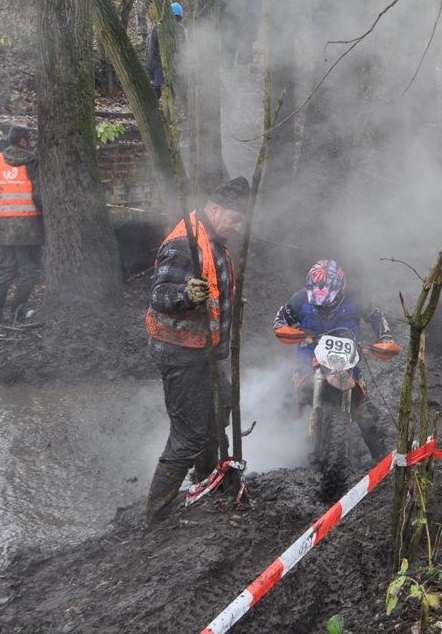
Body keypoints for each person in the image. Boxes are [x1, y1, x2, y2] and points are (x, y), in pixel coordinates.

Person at [143, 176, 250, 528]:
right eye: (234, 219)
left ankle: (205, 482)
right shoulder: (185, 244)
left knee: (221, 409)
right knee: (188, 435)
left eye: (241, 222)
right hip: (180, 354)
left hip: (204, 352)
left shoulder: (214, 240)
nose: (237, 227)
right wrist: (186, 295)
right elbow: (159, 296)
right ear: (214, 208)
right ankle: (155, 516)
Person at [273, 260, 394, 461]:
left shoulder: (356, 298)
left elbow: (376, 315)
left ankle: (381, 459)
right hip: (309, 361)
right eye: (318, 305)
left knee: (366, 412)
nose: (323, 309)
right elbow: (280, 320)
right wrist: (287, 330)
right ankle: (276, 455)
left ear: (341, 291)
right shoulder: (299, 299)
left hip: (346, 361)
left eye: (327, 304)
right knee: (288, 405)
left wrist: (385, 338)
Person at [0, 125, 43, 325]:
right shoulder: (33, 162)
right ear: (23, 141)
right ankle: (17, 312)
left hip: (2, 227)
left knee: (4, 271)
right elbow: (39, 196)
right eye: (30, 139)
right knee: (30, 271)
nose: (31, 143)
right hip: (29, 229)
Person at [219, 0, 254, 69]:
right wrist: (224, 6)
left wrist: (245, 7)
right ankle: (224, 66)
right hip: (226, 13)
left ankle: (229, 67)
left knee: (234, 40)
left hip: (239, 13)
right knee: (225, 40)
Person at [145, 1, 185, 99]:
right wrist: (150, 67)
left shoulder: (181, 29)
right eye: (173, 17)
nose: (174, 20)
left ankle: (169, 108)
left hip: (175, 64)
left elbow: (184, 48)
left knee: (173, 90)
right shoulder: (157, 26)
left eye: (177, 18)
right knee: (158, 87)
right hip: (160, 63)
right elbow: (152, 48)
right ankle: (152, 106)